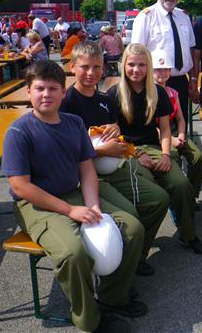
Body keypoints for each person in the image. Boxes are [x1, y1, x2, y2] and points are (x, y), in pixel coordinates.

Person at [1, 60, 147, 332]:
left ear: (63, 92)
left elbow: (87, 168)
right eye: (39, 88)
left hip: (75, 193)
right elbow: (21, 186)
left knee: (132, 229)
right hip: (36, 204)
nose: (46, 94)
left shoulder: (73, 123)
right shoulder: (18, 132)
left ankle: (112, 298)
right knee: (73, 253)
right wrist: (70, 211)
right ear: (28, 91)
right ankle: (89, 320)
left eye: (53, 88)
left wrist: (93, 206)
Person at [60, 41, 169, 277]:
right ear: (72, 67)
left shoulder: (105, 99)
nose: (91, 73)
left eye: (97, 67)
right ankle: (119, 269)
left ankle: (135, 256)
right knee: (131, 218)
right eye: (85, 67)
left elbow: (116, 132)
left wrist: (115, 132)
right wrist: (102, 151)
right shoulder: (66, 103)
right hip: (85, 176)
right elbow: (66, 151)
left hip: (113, 167)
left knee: (160, 199)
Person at [106, 43, 202, 254]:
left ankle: (188, 234)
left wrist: (165, 155)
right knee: (153, 191)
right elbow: (114, 136)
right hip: (126, 150)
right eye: (131, 64)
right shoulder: (114, 93)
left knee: (180, 184)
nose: (136, 69)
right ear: (124, 65)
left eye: (142, 65)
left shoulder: (158, 92)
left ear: (148, 66)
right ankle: (137, 253)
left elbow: (164, 128)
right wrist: (137, 153)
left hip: (153, 145)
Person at [132, 0, 196, 123]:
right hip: (154, 82)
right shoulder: (146, 16)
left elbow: (190, 50)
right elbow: (136, 54)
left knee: (181, 124)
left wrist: (193, 78)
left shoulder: (184, 16)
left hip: (181, 81)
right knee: (157, 127)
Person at [150, 49, 202, 195]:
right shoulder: (148, 95)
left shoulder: (172, 92)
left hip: (174, 131)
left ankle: (191, 194)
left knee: (198, 157)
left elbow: (180, 118)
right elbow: (149, 127)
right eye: (158, 70)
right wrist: (172, 140)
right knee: (174, 157)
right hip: (156, 135)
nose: (163, 73)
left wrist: (181, 135)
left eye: (166, 69)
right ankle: (177, 196)